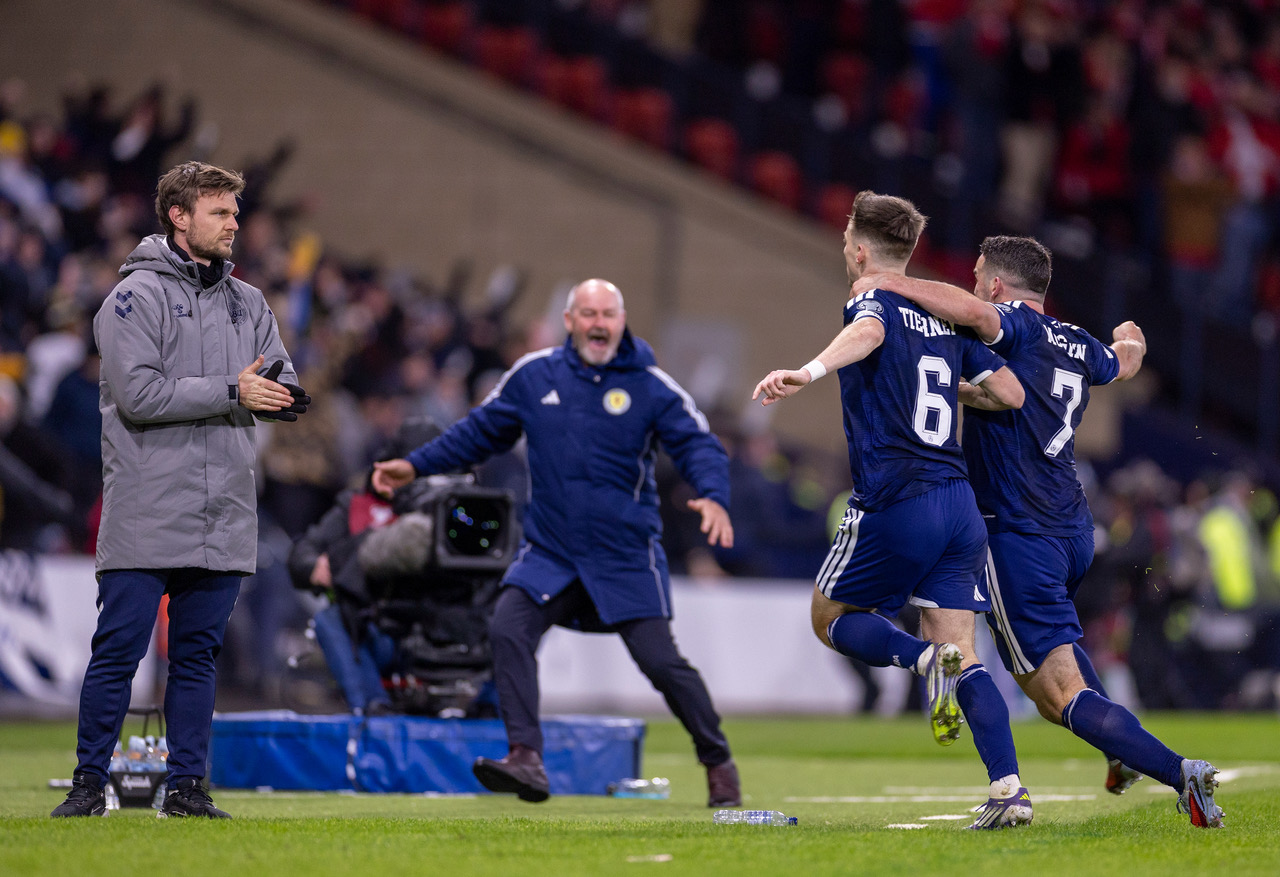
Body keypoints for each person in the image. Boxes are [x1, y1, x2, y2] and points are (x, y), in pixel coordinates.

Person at [851, 234, 1224, 828]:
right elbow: (1122, 363)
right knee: (1059, 654)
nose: (973, 286)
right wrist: (1131, 341)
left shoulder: (1011, 328)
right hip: (1071, 529)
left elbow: (971, 313)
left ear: (998, 286)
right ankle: (1116, 751)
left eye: (978, 277)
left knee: (1056, 696)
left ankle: (1182, 774)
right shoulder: (1078, 343)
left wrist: (891, 282)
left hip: (1018, 533)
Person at [373, 278, 742, 807]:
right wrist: (413, 465)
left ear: (621, 320)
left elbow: (699, 443)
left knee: (662, 664)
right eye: (587, 313)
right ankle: (526, 757)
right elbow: (476, 433)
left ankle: (717, 761)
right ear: (569, 321)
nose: (598, 323)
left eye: (607, 314)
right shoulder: (532, 376)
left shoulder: (652, 384)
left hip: (624, 555)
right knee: (507, 627)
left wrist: (713, 495)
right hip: (552, 551)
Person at [753, 191, 1034, 830]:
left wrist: (809, 370)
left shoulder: (873, 295)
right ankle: (1009, 788)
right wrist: (949, 387)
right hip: (959, 505)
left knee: (831, 618)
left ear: (858, 248)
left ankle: (917, 660)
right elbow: (1013, 393)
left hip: (898, 497)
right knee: (963, 647)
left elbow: (871, 328)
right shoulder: (947, 318)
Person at [51, 161, 310, 819]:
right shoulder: (133, 298)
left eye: (234, 211)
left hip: (221, 508)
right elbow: (139, 396)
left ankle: (186, 788)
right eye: (220, 212)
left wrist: (283, 395)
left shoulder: (249, 303)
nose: (234, 223)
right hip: (146, 508)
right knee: (120, 652)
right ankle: (88, 784)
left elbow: (278, 378)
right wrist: (235, 389)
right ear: (178, 215)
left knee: (198, 657)